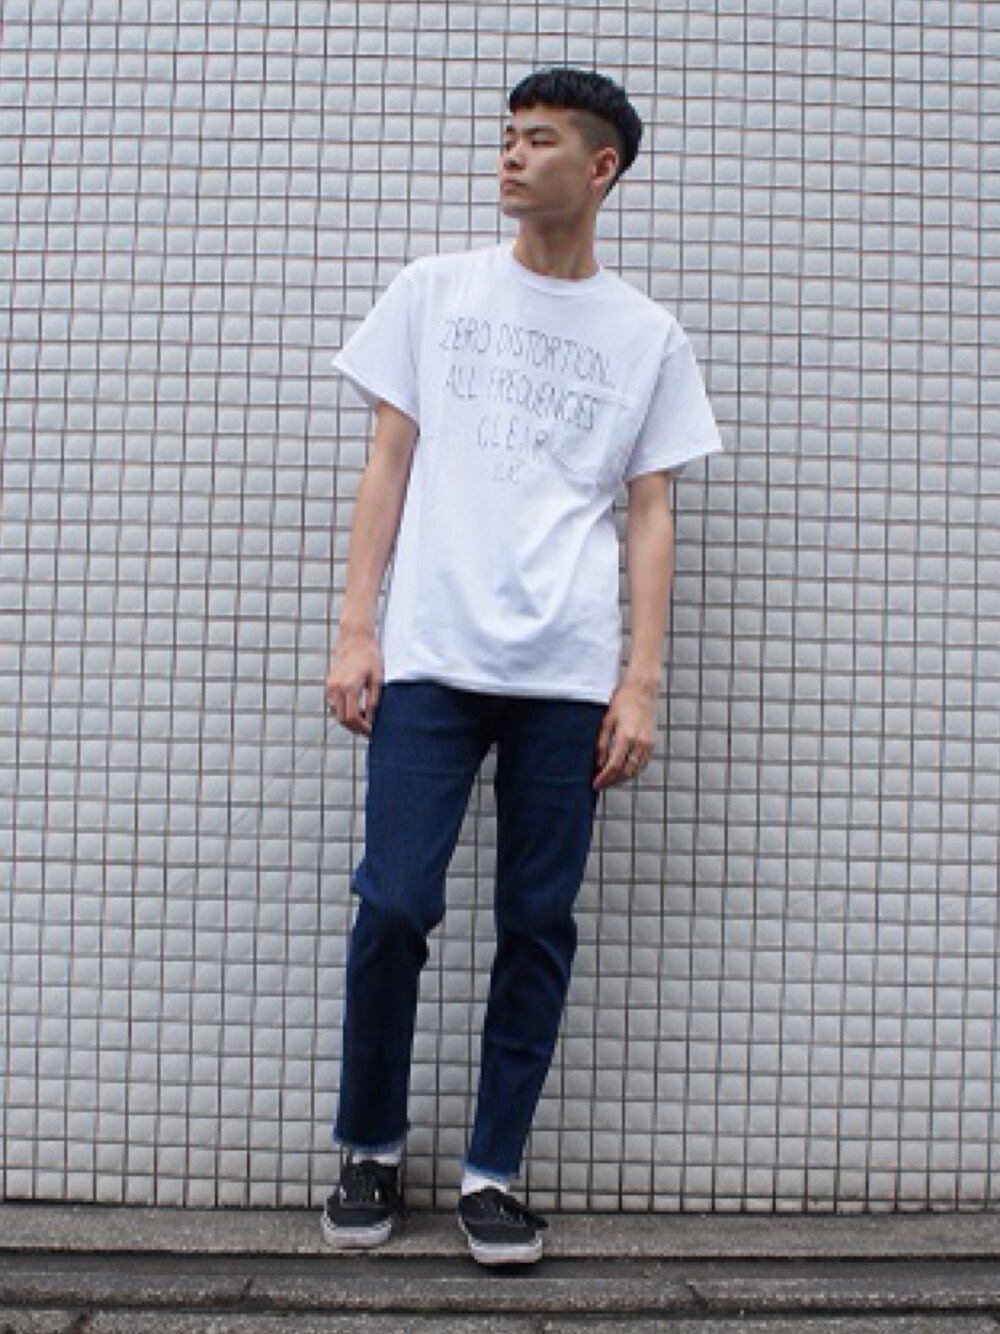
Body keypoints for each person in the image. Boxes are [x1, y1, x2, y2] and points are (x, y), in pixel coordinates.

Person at [322, 66, 722, 1266]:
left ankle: (493, 1170)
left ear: (598, 168)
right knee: (394, 901)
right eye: (506, 136)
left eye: (537, 140)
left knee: (538, 921)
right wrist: (355, 626)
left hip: (565, 671)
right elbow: (389, 461)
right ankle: (369, 1145)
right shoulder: (434, 291)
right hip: (433, 656)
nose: (509, 154)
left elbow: (648, 514)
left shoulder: (646, 335)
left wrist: (639, 680)